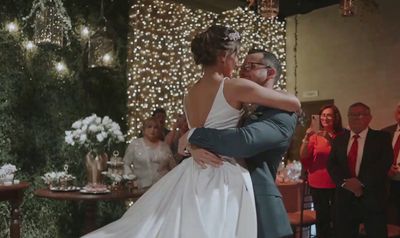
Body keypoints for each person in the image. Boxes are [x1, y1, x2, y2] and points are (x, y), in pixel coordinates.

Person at [82, 25, 300, 238]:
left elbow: (196, 130)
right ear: (224, 56)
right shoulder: (234, 86)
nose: (238, 63)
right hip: (223, 173)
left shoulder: (189, 93)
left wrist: (192, 141)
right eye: (236, 56)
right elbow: (293, 103)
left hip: (193, 170)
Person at [186, 49, 298, 238]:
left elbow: (243, 142)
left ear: (270, 72)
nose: (242, 70)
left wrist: (194, 134)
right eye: (242, 66)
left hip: (259, 201)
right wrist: (193, 147)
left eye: (250, 66)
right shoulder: (239, 105)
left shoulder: (282, 113)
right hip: (222, 196)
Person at [327, 102, 393, 238]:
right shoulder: (339, 139)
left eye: (360, 115)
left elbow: (384, 164)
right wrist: (345, 183)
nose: (356, 118)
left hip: (372, 198)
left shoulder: (382, 138)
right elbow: (332, 164)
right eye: (352, 115)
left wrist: (360, 182)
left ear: (370, 118)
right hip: (344, 199)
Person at [300, 104, 344, 238]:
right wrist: (307, 138)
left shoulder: (343, 135)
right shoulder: (315, 136)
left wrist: (329, 138)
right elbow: (303, 155)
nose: (325, 118)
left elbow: (344, 156)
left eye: (329, 115)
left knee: (338, 217)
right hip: (317, 182)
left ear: (336, 118)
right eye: (323, 115)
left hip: (337, 182)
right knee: (322, 218)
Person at [123, 117, 176, 189]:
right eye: (149, 127)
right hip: (141, 187)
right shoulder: (135, 144)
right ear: (144, 129)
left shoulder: (164, 146)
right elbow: (126, 163)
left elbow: (173, 167)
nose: (152, 130)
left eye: (155, 127)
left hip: (164, 187)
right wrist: (131, 178)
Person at [382, 102, 400, 224]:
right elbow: (377, 158)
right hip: (388, 184)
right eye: (399, 111)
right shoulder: (385, 133)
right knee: (391, 221)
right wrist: (385, 168)